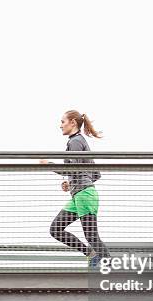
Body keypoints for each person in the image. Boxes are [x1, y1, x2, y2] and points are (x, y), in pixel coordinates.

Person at [39, 110, 111, 268]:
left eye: (63, 121)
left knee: (92, 237)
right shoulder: (78, 141)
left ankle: (112, 269)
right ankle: (90, 254)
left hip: (84, 195)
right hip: (79, 194)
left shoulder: (75, 141)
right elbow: (95, 174)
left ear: (73, 122)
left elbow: (74, 168)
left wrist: (48, 165)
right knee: (56, 229)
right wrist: (71, 184)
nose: (60, 125)